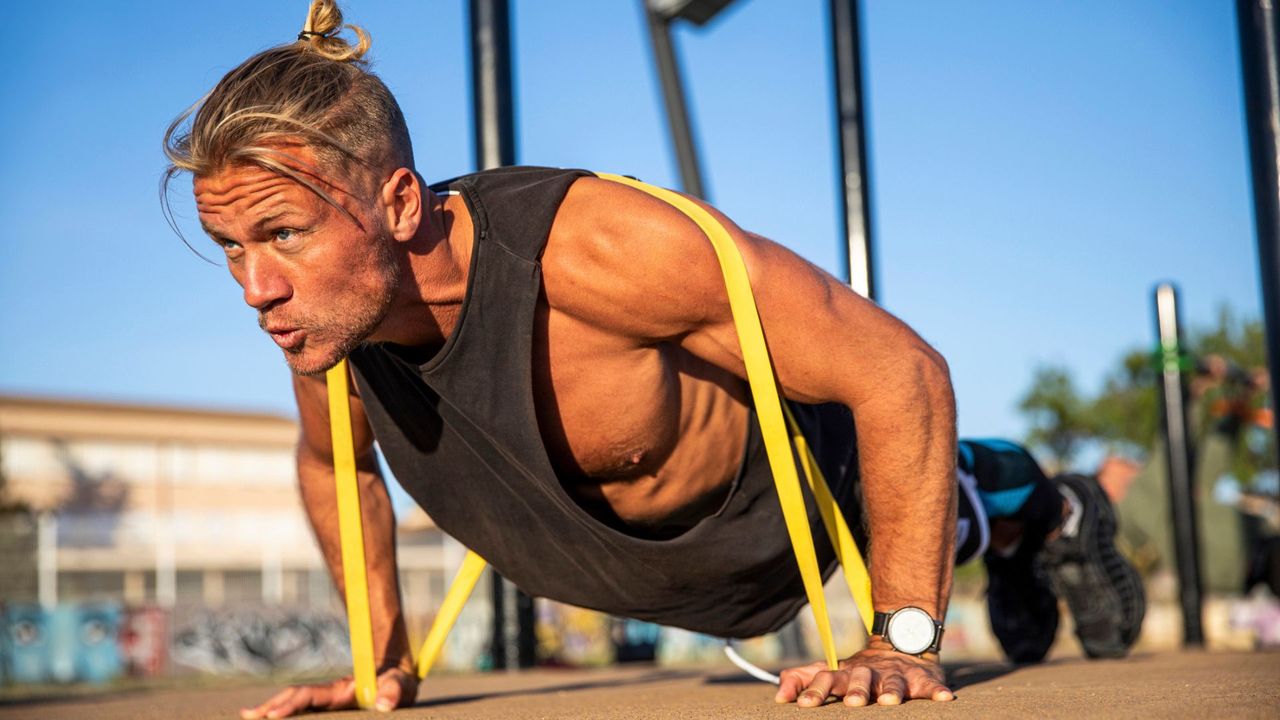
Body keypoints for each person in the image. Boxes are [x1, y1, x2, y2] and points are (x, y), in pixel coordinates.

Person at [162, 2, 1143, 716]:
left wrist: (904, 641)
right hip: (649, 573)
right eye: (232, 248)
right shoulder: (333, 320)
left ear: (402, 204)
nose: (255, 286)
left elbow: (898, 372)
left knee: (950, 500)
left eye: (282, 233)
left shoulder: (602, 249)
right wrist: (383, 662)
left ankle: (1048, 509)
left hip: (790, 516)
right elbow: (332, 461)